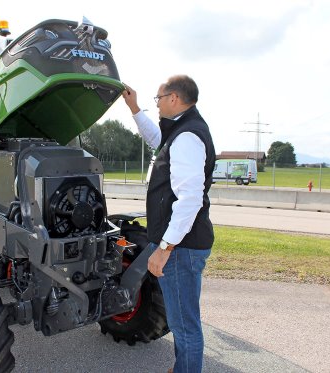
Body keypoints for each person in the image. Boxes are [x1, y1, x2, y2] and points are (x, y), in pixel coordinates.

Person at [122, 75, 216, 373]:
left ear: (174, 98)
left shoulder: (187, 137)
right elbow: (155, 139)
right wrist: (135, 108)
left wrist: (165, 247)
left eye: (158, 98)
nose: (158, 103)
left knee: (185, 325)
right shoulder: (181, 129)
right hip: (182, 245)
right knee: (182, 320)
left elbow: (190, 199)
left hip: (181, 248)